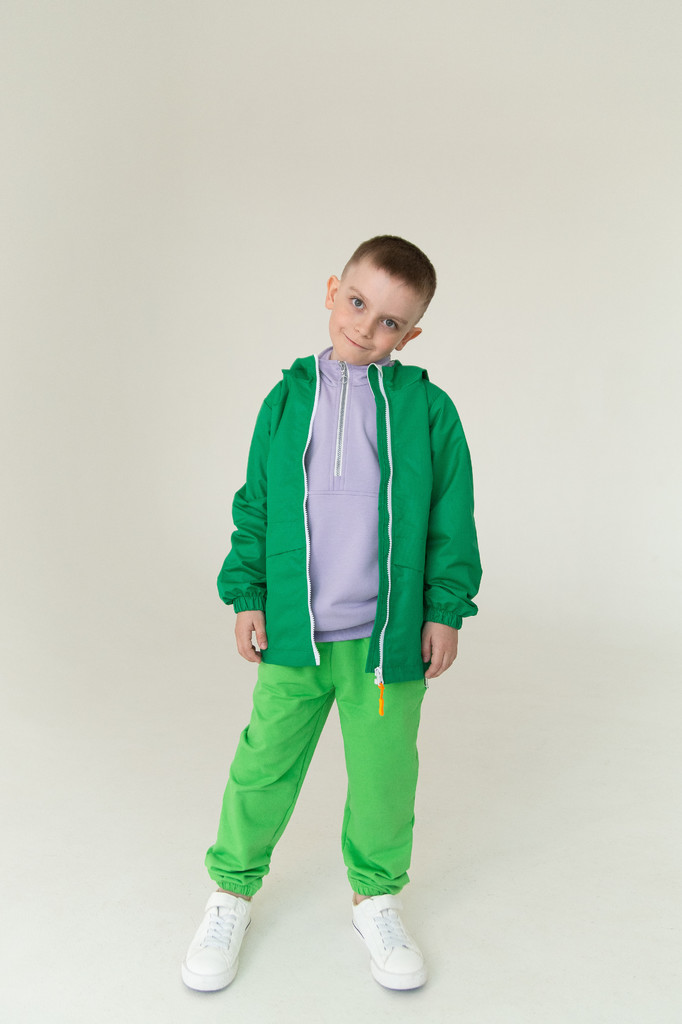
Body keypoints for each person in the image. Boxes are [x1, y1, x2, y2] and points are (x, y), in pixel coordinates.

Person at [182, 235, 482, 993]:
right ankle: (231, 892)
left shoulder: (428, 411)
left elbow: (452, 518)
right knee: (263, 767)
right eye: (356, 303)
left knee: (385, 779)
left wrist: (443, 610)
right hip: (296, 635)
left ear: (410, 335)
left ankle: (376, 898)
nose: (365, 327)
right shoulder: (286, 401)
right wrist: (249, 593)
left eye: (389, 322)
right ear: (331, 292)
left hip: (385, 645)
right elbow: (256, 504)